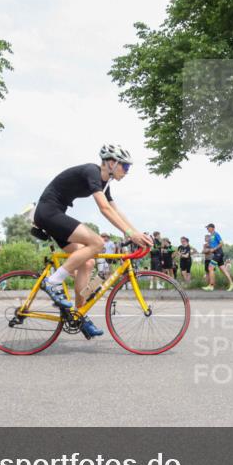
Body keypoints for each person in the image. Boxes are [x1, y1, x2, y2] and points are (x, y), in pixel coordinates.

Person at [32, 145, 153, 339]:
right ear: (111, 163)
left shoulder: (105, 184)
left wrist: (136, 233)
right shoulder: (92, 171)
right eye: (125, 167)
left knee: (87, 262)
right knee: (97, 243)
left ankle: (79, 316)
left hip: (56, 214)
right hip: (48, 212)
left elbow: (115, 209)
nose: (127, 172)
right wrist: (130, 234)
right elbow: (104, 209)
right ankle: (53, 282)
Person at [202, 223, 233, 291]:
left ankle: (211, 285)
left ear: (212, 228)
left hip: (218, 253)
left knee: (210, 267)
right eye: (207, 228)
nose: (207, 229)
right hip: (217, 254)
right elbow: (212, 244)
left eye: (208, 227)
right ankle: (232, 284)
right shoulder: (211, 236)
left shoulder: (216, 234)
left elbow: (221, 243)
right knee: (223, 270)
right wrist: (208, 246)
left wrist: (214, 249)